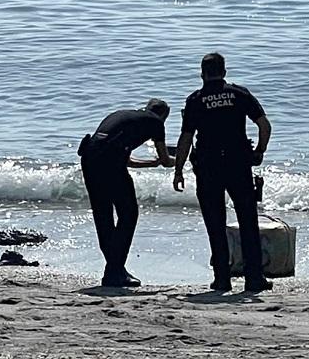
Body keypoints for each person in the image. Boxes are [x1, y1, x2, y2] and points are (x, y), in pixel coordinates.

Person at [173, 53, 272, 292]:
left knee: (215, 223)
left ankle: (222, 278)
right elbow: (265, 125)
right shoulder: (240, 94)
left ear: (202, 73)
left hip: (208, 167)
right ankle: (254, 278)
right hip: (238, 164)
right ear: (224, 72)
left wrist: (178, 170)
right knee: (248, 220)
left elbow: (186, 138)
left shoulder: (196, 100)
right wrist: (259, 151)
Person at [78, 98, 175, 287]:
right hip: (109, 162)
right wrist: (178, 159)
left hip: (90, 158)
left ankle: (114, 270)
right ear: (164, 115)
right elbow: (165, 160)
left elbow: (127, 160)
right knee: (129, 213)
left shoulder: (126, 116)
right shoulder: (156, 122)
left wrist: (151, 163)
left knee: (103, 214)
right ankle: (114, 270)